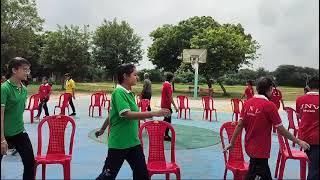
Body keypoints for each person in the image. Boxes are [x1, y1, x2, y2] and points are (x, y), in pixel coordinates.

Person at [95, 63, 170, 180]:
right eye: (134, 74)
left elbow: (112, 113)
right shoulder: (118, 92)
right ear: (125, 76)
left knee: (142, 175)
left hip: (133, 142)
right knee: (107, 177)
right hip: (119, 143)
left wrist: (102, 129)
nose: (137, 77)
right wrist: (154, 113)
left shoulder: (129, 93)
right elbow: (127, 114)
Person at [225, 77, 310, 180]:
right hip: (261, 150)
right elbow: (281, 129)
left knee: (256, 171)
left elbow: (240, 125)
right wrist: (298, 141)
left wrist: (232, 142)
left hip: (249, 147)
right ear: (270, 88)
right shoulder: (269, 106)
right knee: (257, 173)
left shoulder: (247, 103)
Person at [1, 57, 35, 180]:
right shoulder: (4, 89)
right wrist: (2, 140)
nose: (28, 72)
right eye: (25, 70)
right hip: (3, 134)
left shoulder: (24, 89)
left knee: (30, 163)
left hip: (19, 132)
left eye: (28, 70)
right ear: (14, 70)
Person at [296, 76, 319, 180]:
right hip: (316, 139)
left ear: (308, 87)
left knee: (314, 166)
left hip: (304, 138)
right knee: (315, 169)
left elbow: (299, 116)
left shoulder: (300, 99)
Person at [161, 72, 178, 141]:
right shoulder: (168, 86)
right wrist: (175, 107)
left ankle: (164, 134)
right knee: (168, 121)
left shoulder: (165, 84)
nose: (174, 79)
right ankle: (165, 135)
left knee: (166, 119)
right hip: (166, 105)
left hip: (165, 104)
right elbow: (170, 97)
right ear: (171, 78)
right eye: (173, 77)